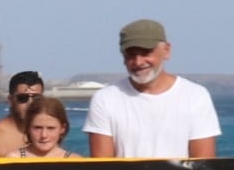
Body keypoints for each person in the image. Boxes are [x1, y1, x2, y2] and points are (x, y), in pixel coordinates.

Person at [85, 19, 219, 160]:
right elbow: (103, 167)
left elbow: (203, 165)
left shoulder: (195, 96)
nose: (138, 62)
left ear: (166, 51)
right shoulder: (105, 99)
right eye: (131, 54)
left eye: (146, 53)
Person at [0, 71, 45, 157]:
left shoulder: (47, 135)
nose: (30, 103)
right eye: (22, 98)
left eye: (36, 98)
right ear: (10, 100)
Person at [18, 97, 83, 159]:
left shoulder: (74, 160)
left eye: (51, 128)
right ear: (28, 128)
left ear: (62, 128)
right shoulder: (15, 159)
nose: (44, 135)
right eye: (37, 128)